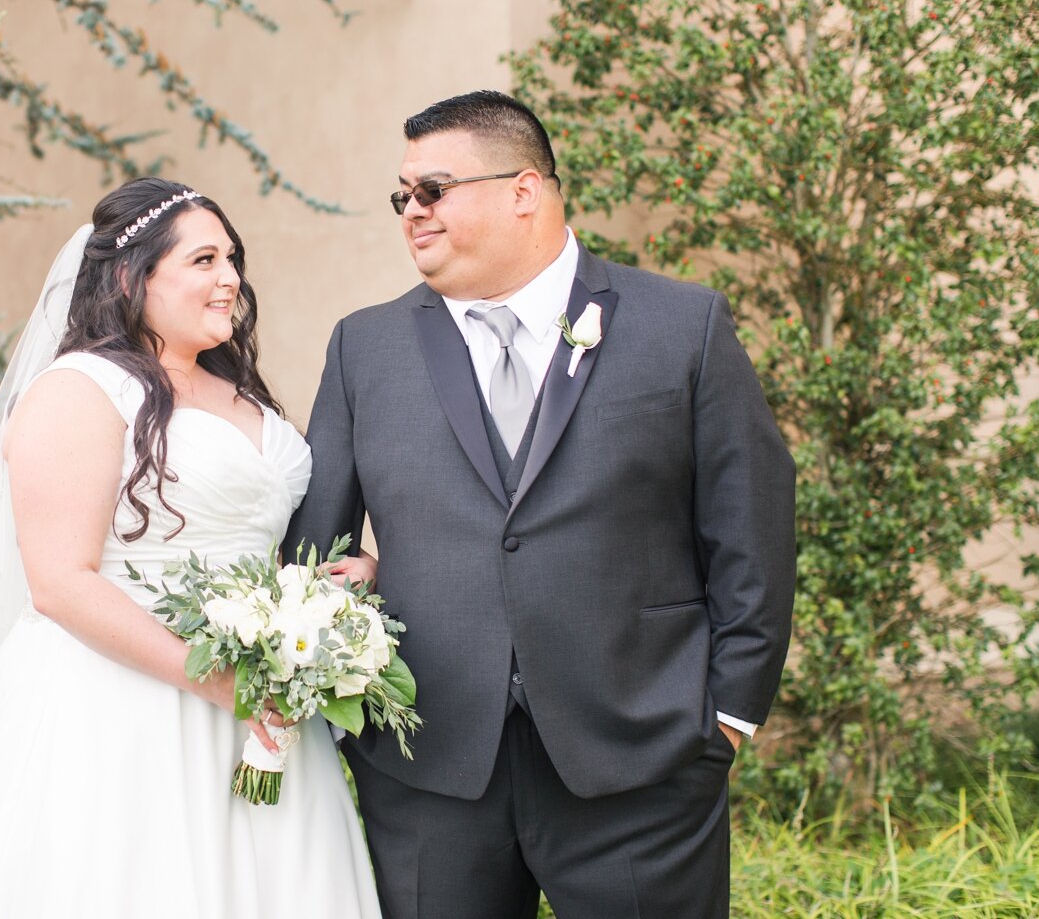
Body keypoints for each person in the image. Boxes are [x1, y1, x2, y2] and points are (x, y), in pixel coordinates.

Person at [285, 91, 796, 918]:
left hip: (641, 764)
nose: (411, 212)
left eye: (434, 190)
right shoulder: (364, 347)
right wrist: (349, 720)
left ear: (524, 191)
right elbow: (311, 557)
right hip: (427, 771)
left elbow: (752, 526)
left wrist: (726, 718)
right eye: (402, 196)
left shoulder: (681, 326)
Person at [0, 178, 381, 917]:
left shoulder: (240, 393)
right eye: (204, 261)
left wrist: (331, 591)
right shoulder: (80, 390)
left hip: (258, 703)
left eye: (232, 259)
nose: (230, 280)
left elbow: (246, 539)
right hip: (120, 703)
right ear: (131, 276)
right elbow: (59, 582)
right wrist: (218, 683)